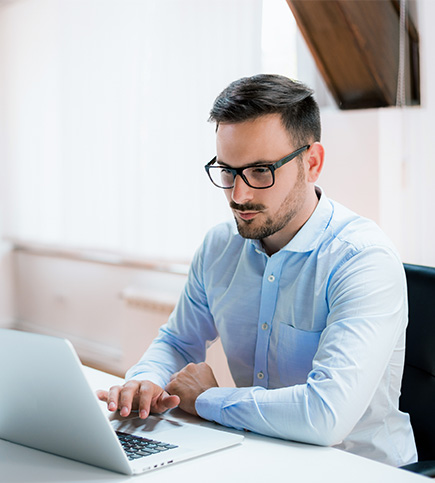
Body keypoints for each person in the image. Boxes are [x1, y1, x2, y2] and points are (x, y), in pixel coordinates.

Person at [98, 74, 417, 466]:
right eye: (228, 171)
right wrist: (147, 379)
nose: (239, 195)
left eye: (262, 171)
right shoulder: (219, 247)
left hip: (360, 469)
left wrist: (206, 399)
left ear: (312, 163)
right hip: (258, 456)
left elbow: (325, 416)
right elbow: (178, 343)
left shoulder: (362, 260)